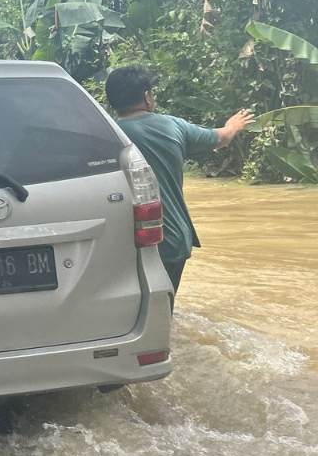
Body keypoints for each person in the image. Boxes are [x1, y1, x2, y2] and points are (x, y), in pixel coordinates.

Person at [104, 65, 254, 299]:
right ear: (147, 97)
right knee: (163, 309)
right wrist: (233, 125)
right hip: (171, 240)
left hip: (121, 243)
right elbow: (221, 138)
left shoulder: (104, 134)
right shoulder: (172, 126)